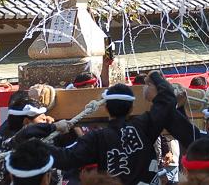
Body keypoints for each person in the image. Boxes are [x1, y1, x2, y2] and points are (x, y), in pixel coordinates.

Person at [48, 72, 177, 185]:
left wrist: (43, 131)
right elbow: (168, 101)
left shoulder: (97, 138)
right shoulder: (144, 126)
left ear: (105, 108)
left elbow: (65, 159)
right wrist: (154, 76)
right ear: (132, 108)